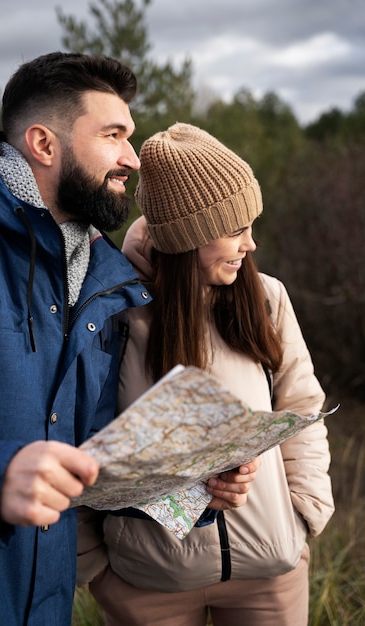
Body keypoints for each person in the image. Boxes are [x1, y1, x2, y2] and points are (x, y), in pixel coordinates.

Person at [85, 123, 335, 626]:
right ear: (188, 238)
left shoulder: (267, 298)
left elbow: (302, 406)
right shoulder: (112, 312)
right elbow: (74, 442)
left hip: (270, 576)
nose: (251, 244)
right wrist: (94, 568)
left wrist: (303, 514)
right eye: (236, 229)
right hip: (149, 585)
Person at [0, 51, 151, 626]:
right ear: (43, 144)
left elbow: (86, 458)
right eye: (113, 135)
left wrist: (192, 486)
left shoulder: (107, 284)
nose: (131, 158)